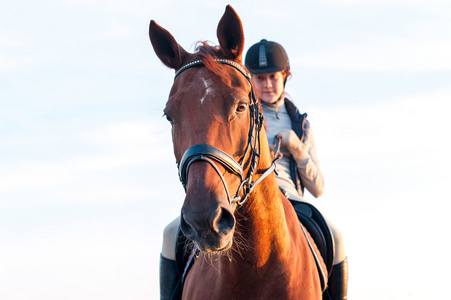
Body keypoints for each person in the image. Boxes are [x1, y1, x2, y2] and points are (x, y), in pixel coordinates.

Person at [245, 39, 348, 299]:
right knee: (172, 234)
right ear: (249, 78)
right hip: (246, 200)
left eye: (273, 77)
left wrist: (296, 147)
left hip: (291, 201)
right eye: (259, 78)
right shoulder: (241, 115)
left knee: (337, 238)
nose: (267, 84)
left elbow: (318, 188)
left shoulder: (301, 125)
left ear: (285, 77)